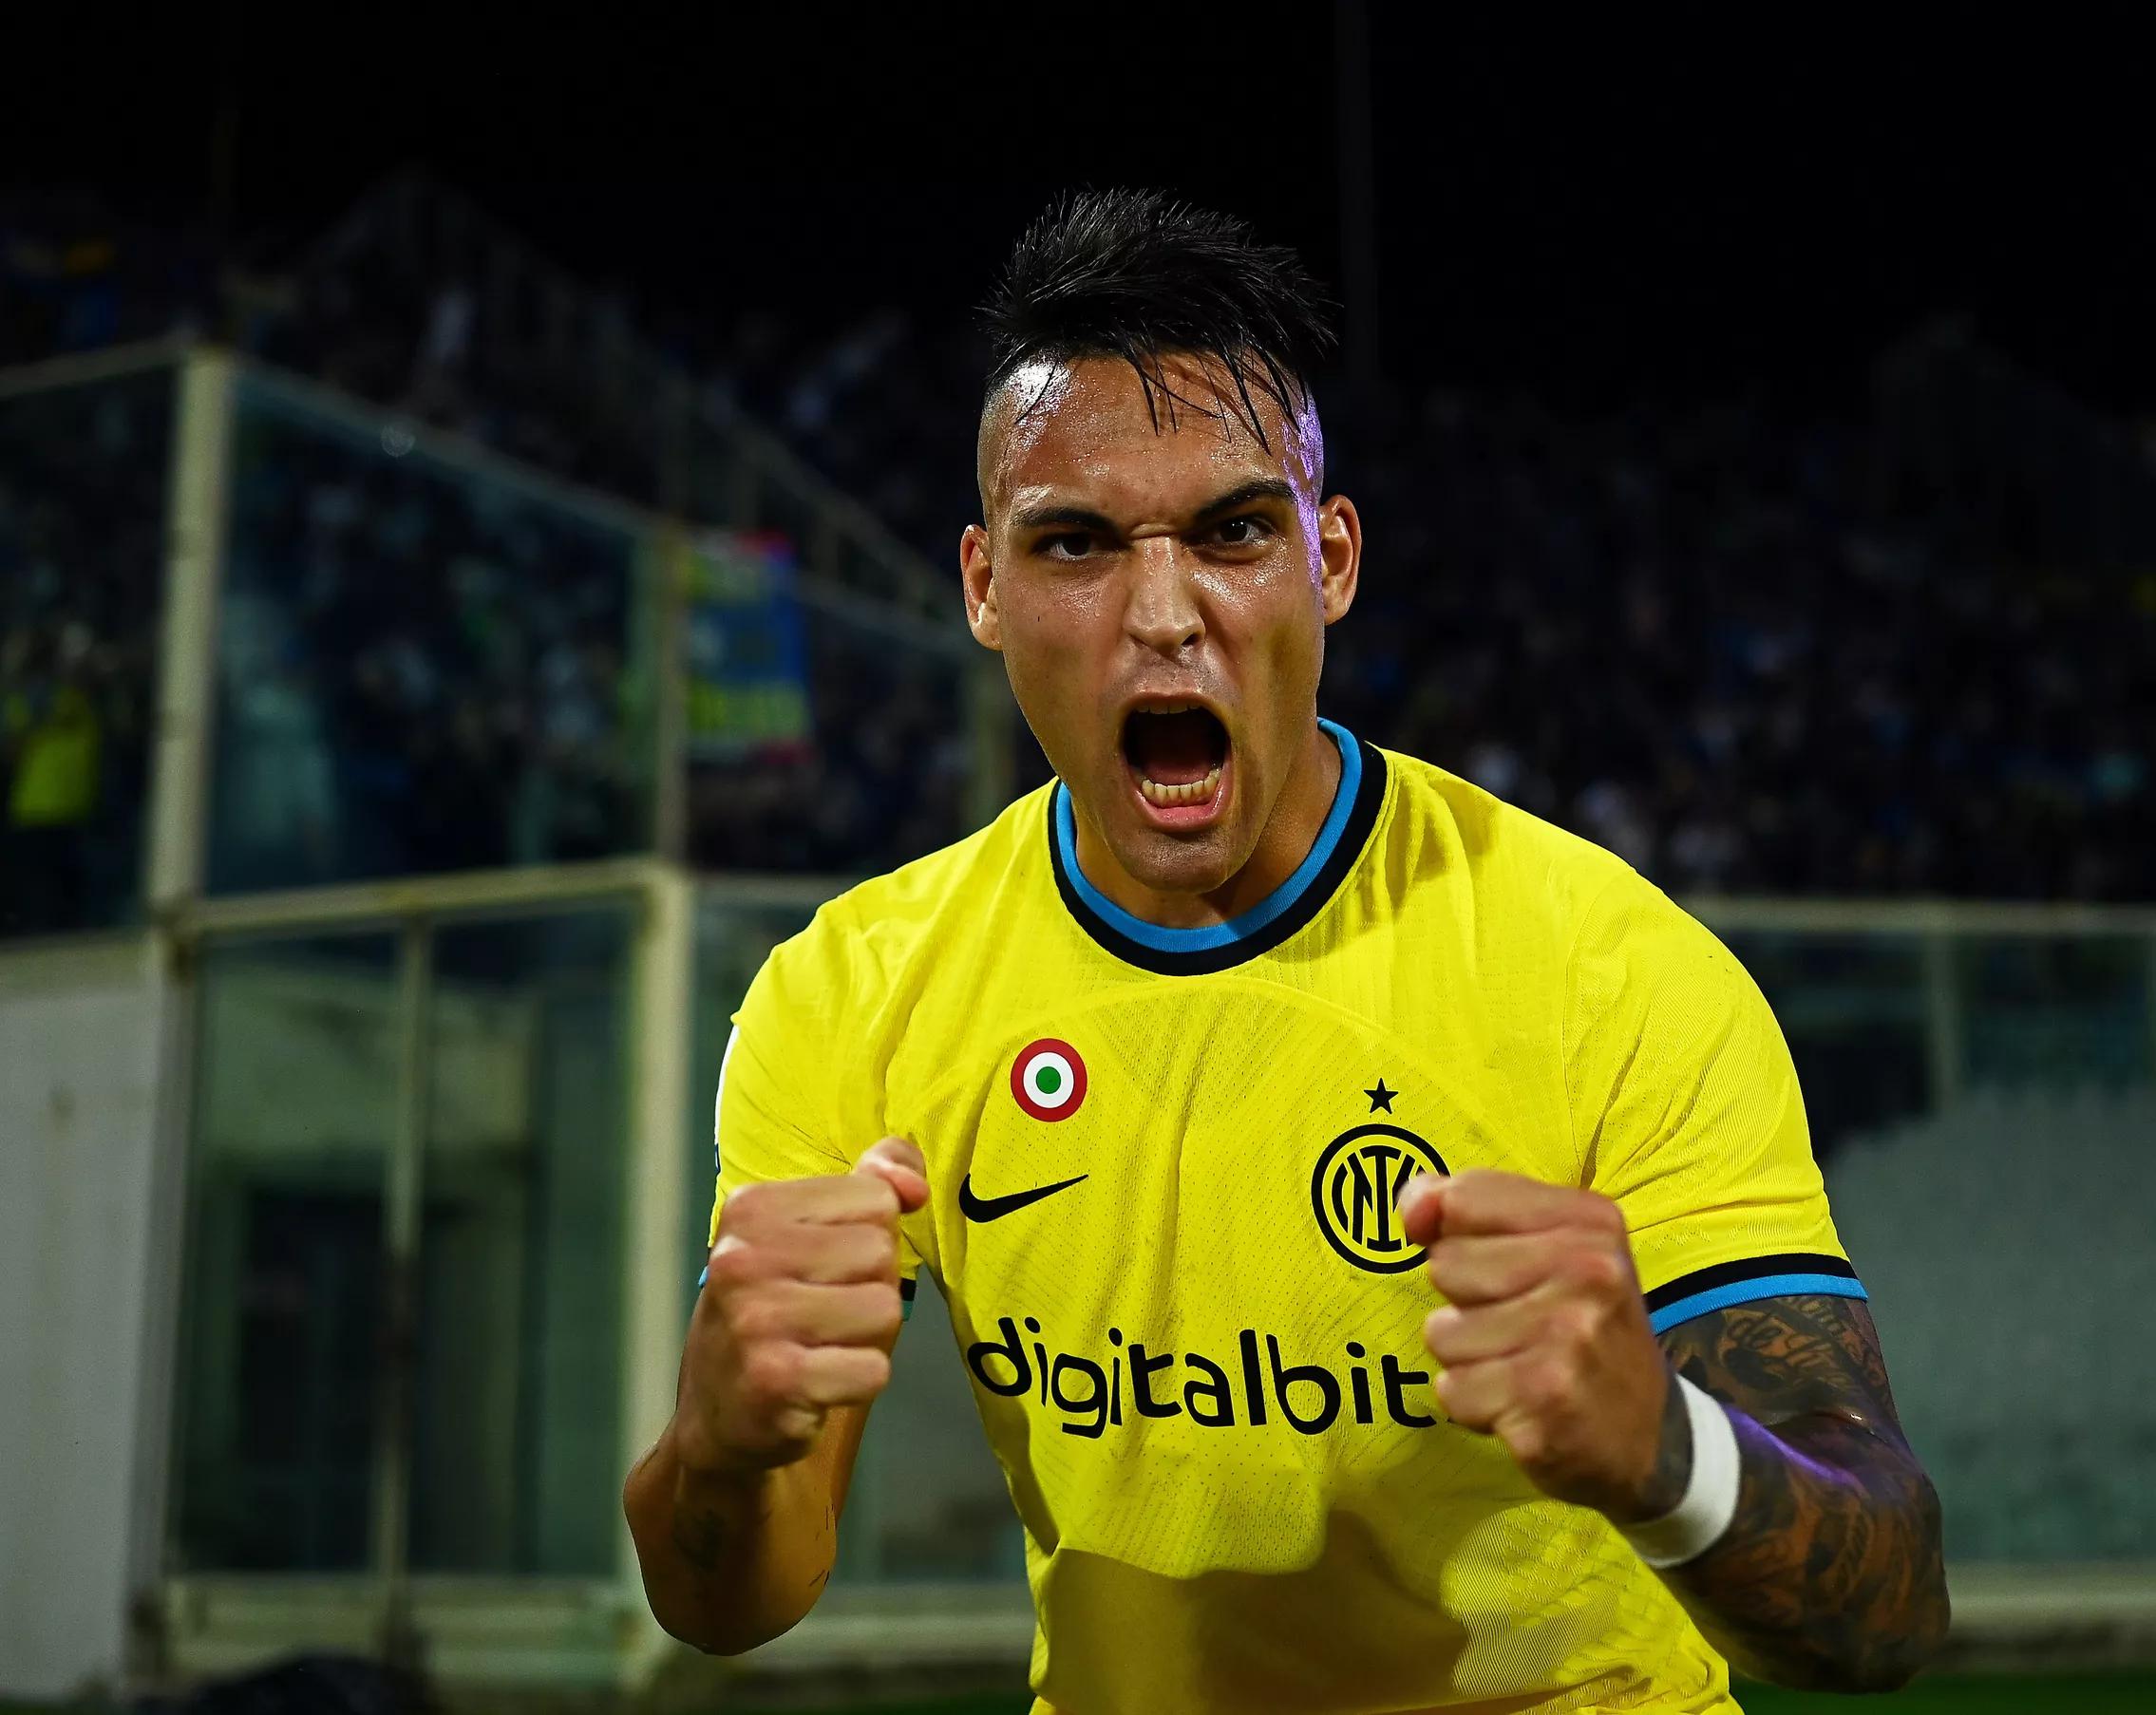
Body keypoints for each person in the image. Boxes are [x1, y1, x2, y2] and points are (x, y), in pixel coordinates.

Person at [625, 191, 1948, 1712]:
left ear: (1331, 559)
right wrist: (717, 1445)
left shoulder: (1608, 964)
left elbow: (1888, 1605)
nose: (1163, 614)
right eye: (1077, 543)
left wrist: (1670, 1447)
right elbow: (731, 1600)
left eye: (1235, 531)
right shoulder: (852, 994)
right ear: (986, 587)